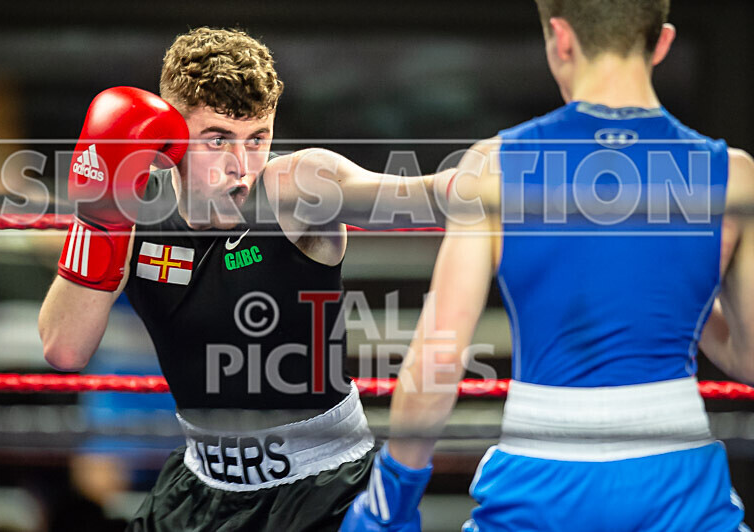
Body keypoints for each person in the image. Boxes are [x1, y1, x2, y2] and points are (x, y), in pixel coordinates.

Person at [342, 1, 754, 530]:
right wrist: (673, 294)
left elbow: (439, 359)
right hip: (677, 479)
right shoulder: (733, 175)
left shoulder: (495, 166)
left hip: (540, 474)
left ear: (560, 38)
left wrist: (388, 500)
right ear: (662, 42)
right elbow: (748, 356)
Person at [37, 28, 452, 532]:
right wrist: (98, 221)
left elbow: (420, 199)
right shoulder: (133, 204)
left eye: (258, 139)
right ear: (170, 134)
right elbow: (64, 349)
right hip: (199, 486)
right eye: (218, 139)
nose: (241, 167)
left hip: (325, 487)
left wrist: (500, 179)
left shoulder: (295, 188)